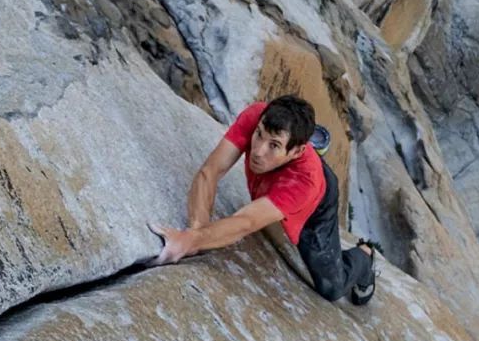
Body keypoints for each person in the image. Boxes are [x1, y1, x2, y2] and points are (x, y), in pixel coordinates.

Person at [149, 93, 377, 305]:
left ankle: (364, 257)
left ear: (296, 151)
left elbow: (246, 222)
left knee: (332, 287)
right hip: (291, 168)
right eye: (259, 135)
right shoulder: (258, 116)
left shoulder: (304, 183)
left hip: (318, 199)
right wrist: (195, 234)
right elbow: (210, 172)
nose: (257, 151)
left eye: (273, 145)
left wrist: (192, 240)